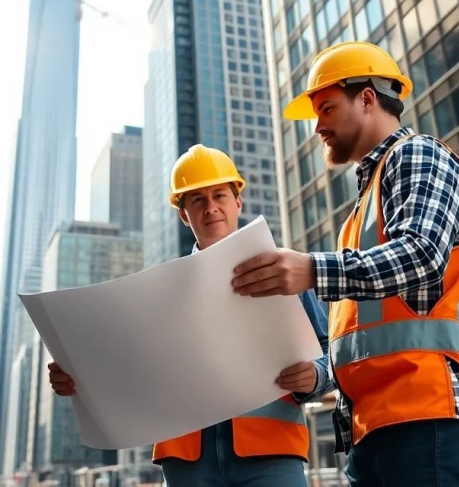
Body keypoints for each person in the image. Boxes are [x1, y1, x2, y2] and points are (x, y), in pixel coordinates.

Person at [231, 40, 459, 486]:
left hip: (429, 411)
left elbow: (421, 255)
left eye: (327, 109)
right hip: (374, 424)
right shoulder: (363, 206)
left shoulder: (418, 154)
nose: (318, 126)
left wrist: (311, 270)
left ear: (368, 99)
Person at [47, 144, 335, 487]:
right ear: (184, 215)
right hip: (186, 463)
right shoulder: (158, 293)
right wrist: (78, 378)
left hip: (271, 454)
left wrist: (316, 376)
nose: (211, 207)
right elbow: (129, 369)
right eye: (197, 200)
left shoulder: (283, 272)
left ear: (238, 202)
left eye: (219, 195)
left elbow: (330, 352)